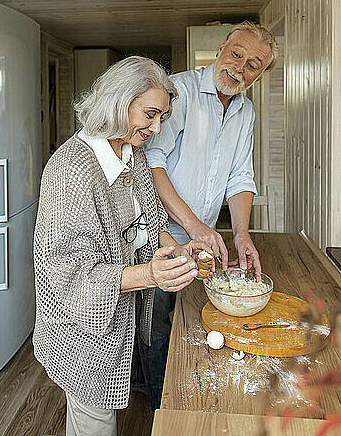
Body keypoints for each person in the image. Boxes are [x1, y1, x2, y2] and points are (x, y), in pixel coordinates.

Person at [33, 56, 213, 436]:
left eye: (162, 116)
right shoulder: (72, 170)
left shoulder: (133, 153)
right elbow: (70, 276)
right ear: (119, 100)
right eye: (150, 114)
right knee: (95, 426)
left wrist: (176, 249)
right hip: (80, 333)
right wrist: (151, 273)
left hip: (117, 322)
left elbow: (150, 219)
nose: (157, 127)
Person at [142, 21, 278, 403]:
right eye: (237, 53)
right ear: (222, 47)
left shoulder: (245, 112)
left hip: (201, 238)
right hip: (157, 233)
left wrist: (241, 235)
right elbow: (152, 163)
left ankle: (191, 404)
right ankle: (160, 409)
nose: (240, 67)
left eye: (254, 64)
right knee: (154, 326)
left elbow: (240, 177)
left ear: (260, 74)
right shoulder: (179, 91)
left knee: (190, 323)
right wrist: (193, 224)